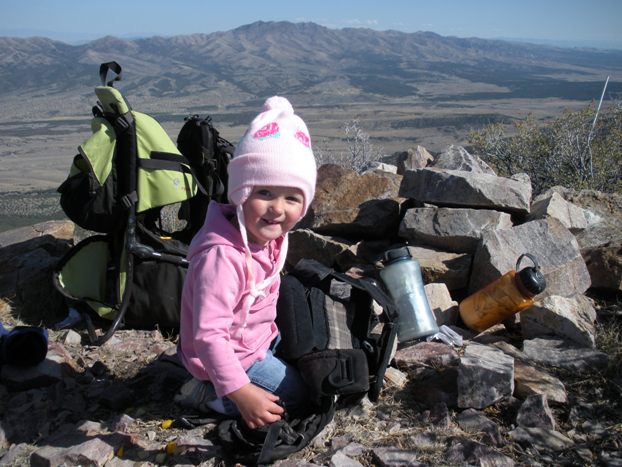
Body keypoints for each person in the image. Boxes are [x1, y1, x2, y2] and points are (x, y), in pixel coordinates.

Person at [176, 96, 317, 429]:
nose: (278, 209)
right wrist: (240, 391)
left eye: (292, 197)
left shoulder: (267, 237)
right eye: (264, 193)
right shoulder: (223, 257)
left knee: (314, 362)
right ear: (241, 193)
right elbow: (209, 336)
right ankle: (208, 393)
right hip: (228, 356)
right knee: (297, 400)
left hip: (257, 339)